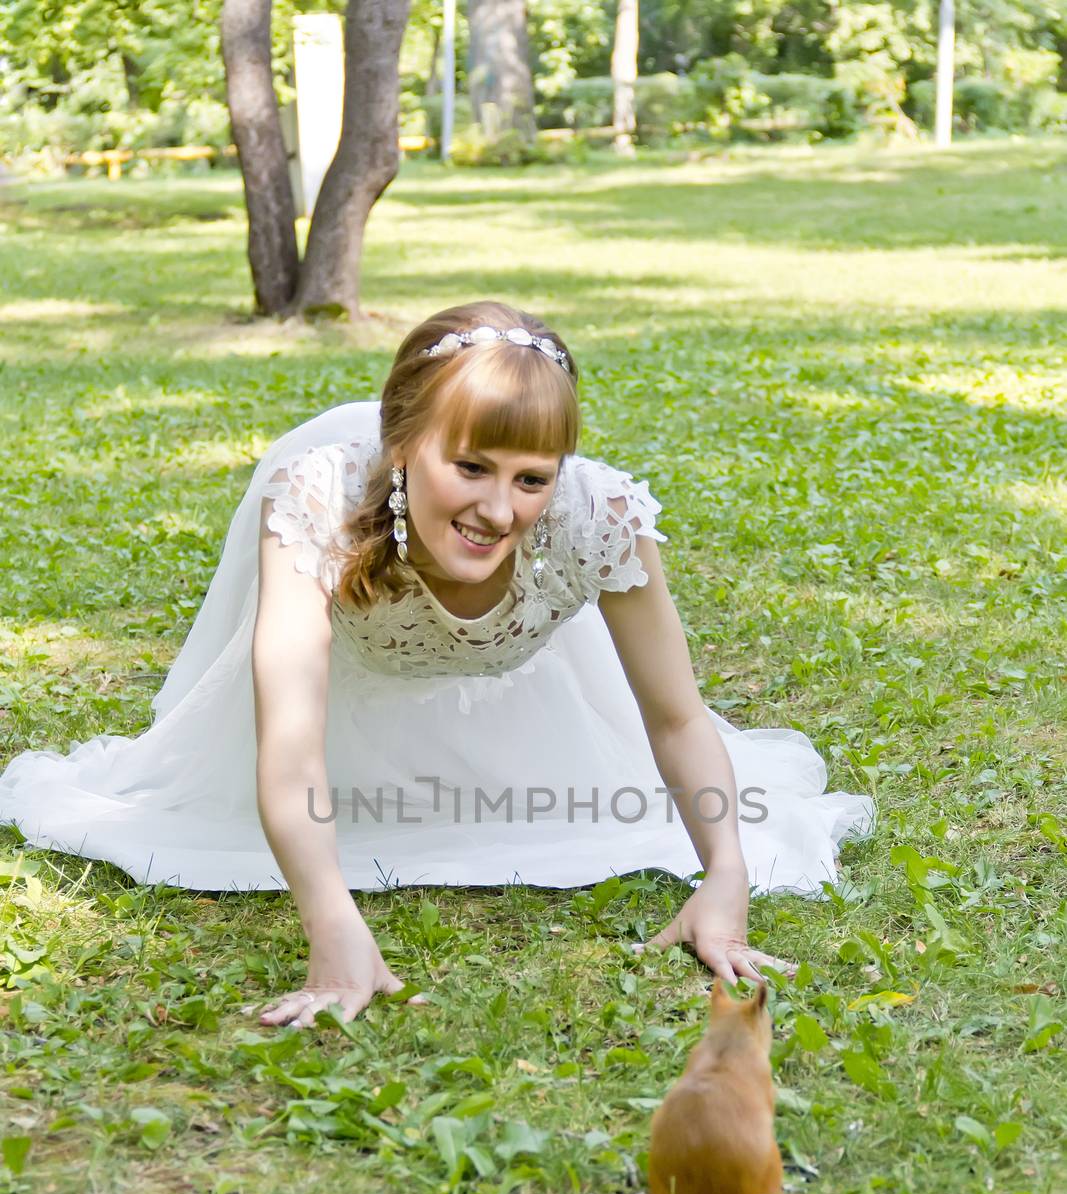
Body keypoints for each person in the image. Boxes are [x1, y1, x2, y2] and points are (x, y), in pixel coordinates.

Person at [0, 301, 874, 1029]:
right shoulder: (317, 499)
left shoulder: (598, 517)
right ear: (404, 448)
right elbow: (293, 743)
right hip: (340, 688)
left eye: (531, 478)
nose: (498, 509)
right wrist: (333, 925)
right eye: (469, 467)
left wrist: (723, 876)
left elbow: (677, 716)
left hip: (517, 693)